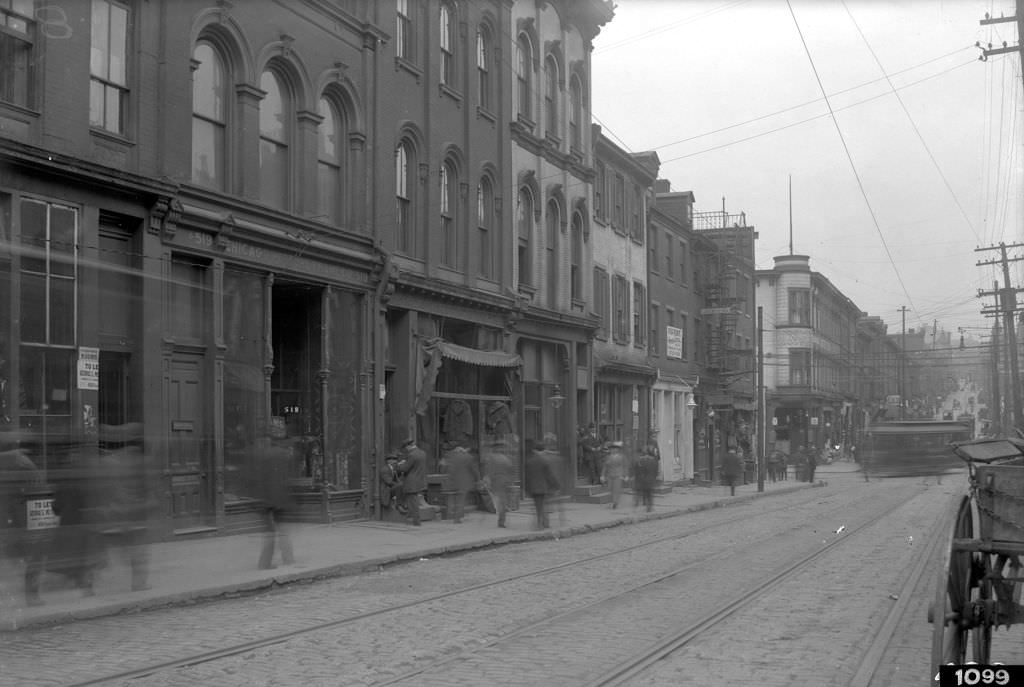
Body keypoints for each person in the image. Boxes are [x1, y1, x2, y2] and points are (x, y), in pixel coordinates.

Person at [255, 425, 296, 570]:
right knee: (283, 531)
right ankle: (288, 561)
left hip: (267, 499)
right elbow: (286, 479)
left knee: (269, 533)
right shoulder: (284, 455)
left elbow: (260, 478)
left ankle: (264, 563)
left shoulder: (265, 454)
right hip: (280, 498)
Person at [524, 439, 560, 529]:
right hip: (542, 487)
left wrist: (526, 488)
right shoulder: (544, 461)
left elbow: (526, 477)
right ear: (543, 450)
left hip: (533, 488)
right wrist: (556, 485)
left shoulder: (529, 461)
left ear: (534, 450)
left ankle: (541, 523)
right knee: (541, 506)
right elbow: (550, 475)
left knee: (537, 506)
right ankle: (541, 524)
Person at [443, 444, 479, 524]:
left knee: (452, 500)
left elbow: (447, 469)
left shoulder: (451, 457)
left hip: (452, 481)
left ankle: (450, 515)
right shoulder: (468, 457)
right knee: (461, 501)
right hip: (463, 482)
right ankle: (457, 519)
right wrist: (477, 479)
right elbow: (474, 470)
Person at [482, 440, 515, 528]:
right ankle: (501, 521)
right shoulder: (506, 459)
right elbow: (511, 471)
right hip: (504, 483)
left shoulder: (490, 458)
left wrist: (487, 481)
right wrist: (510, 483)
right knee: (502, 502)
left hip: (495, 483)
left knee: (499, 502)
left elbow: (488, 470)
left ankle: (501, 520)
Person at [397, 438, 426, 526]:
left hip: (411, 481)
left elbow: (405, 469)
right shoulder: (422, 453)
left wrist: (399, 464)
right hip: (419, 480)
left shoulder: (411, 455)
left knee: (412, 502)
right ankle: (413, 519)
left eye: (406, 448)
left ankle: (416, 522)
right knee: (413, 501)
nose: (406, 450)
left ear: (409, 446)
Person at [601, 441, 626, 509]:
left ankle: (615, 503)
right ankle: (612, 502)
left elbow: (624, 466)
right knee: (610, 489)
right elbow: (605, 466)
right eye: (611, 449)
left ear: (617, 450)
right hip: (610, 475)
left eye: (614, 449)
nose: (613, 450)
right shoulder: (608, 457)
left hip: (618, 475)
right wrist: (602, 475)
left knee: (616, 489)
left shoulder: (621, 457)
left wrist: (625, 475)